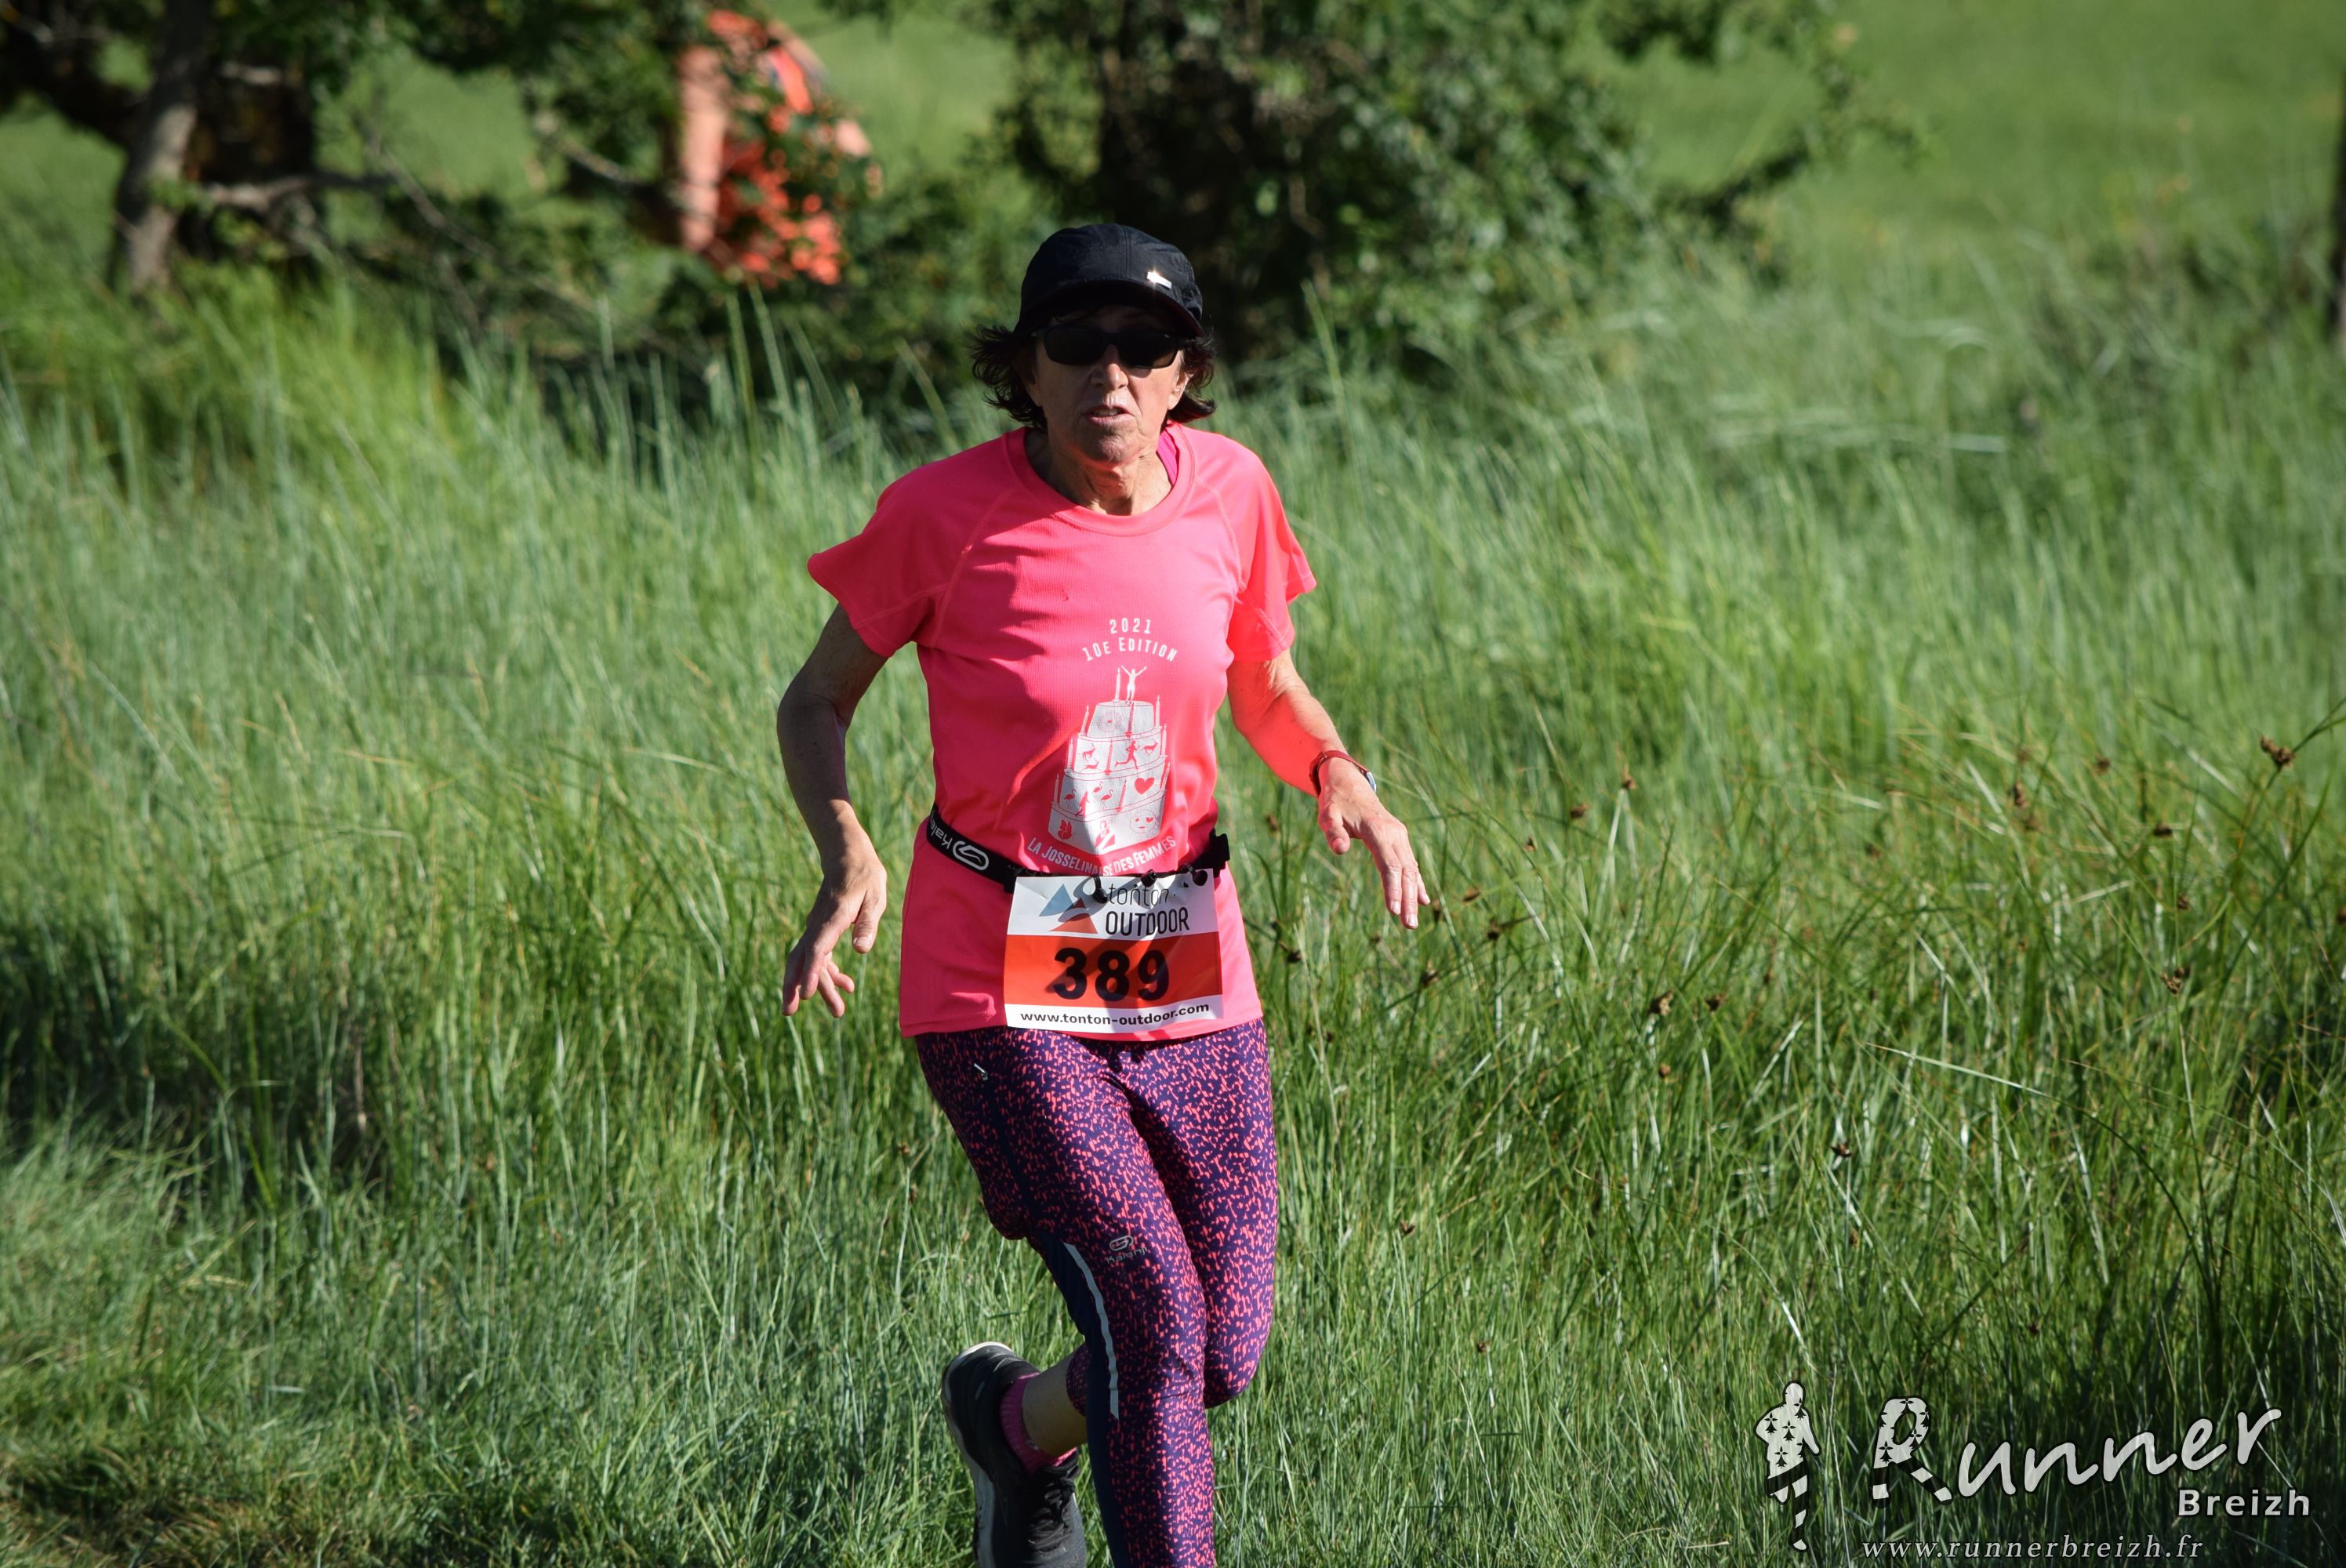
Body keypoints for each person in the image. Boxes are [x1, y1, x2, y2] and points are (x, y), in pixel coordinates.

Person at [775, 223, 1431, 1568]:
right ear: (1025, 368)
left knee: (1220, 1349)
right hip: (996, 982)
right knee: (1149, 1316)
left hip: (1187, 975)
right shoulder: (942, 517)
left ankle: (1016, 1433)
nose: (1110, 374)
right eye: (1075, 344)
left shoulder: (1232, 491)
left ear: (1187, 372)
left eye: (1145, 347)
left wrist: (1338, 773)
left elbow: (1264, 682)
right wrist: (847, 847)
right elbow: (816, 699)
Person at [674, 9, 874, 285]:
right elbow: (865, 171)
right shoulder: (776, 38)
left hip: (750, 278)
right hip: (822, 270)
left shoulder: (705, 57)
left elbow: (691, 223)